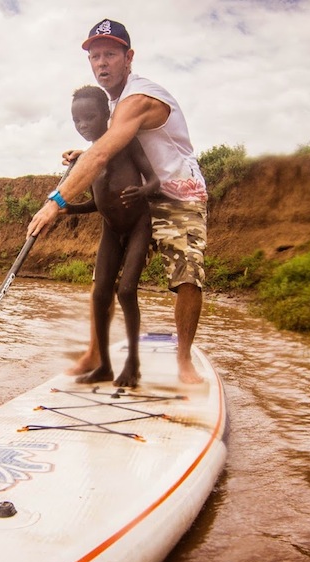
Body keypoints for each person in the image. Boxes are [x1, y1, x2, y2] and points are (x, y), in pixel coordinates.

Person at [28, 18, 209, 384]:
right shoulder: (111, 104)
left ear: (129, 57)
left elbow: (104, 153)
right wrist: (83, 152)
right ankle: (96, 352)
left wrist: (56, 201)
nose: (101, 63)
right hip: (137, 200)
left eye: (110, 54)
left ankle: (184, 361)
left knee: (187, 274)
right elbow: (109, 146)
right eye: (95, 57)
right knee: (103, 280)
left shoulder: (138, 98)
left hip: (178, 194)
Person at [61, 84, 160, 387]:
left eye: (89, 118)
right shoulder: (89, 159)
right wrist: (71, 210)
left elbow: (154, 180)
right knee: (100, 294)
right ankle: (103, 365)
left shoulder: (125, 143)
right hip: (110, 229)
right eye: (77, 121)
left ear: (107, 114)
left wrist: (142, 190)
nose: (83, 125)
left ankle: (133, 365)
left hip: (137, 225)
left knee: (126, 291)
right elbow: (98, 202)